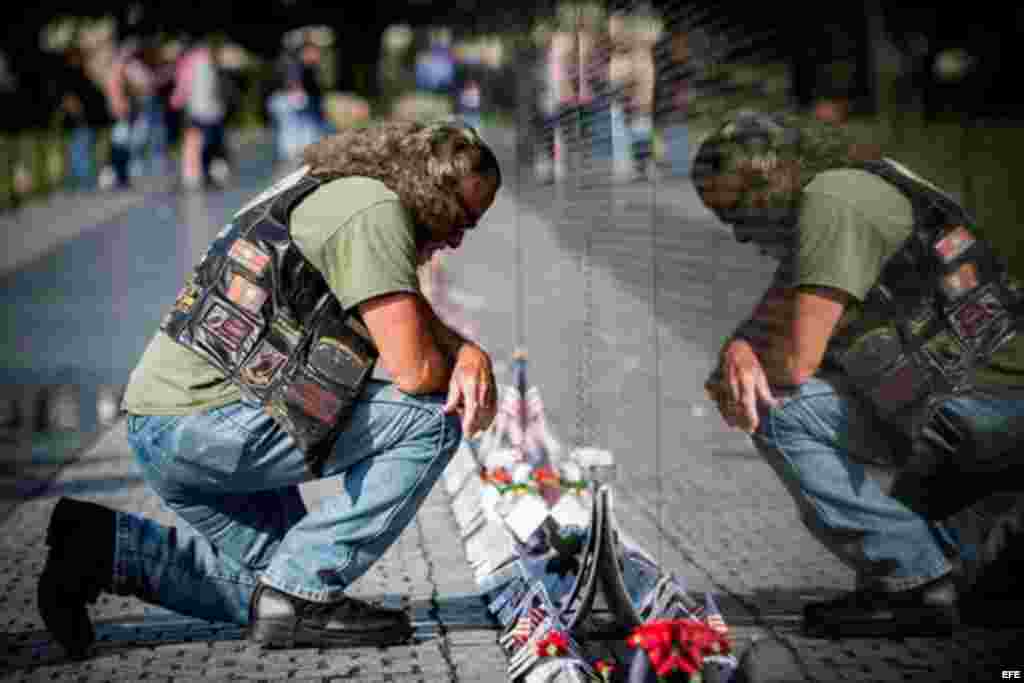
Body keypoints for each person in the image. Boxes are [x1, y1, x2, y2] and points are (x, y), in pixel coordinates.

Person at [37, 120, 501, 658]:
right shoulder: (373, 212)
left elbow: (398, 304)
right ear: (431, 193)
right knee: (432, 416)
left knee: (268, 593)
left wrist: (466, 349)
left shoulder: (332, 185)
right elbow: (414, 370)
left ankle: (97, 548)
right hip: (210, 421)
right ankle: (300, 596)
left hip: (163, 423)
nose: (459, 238)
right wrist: (469, 371)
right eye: (462, 219)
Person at [696, 110, 1024, 638]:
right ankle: (946, 569)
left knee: (780, 413)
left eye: (735, 212)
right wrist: (738, 348)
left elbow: (796, 362)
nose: (736, 234)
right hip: (987, 399)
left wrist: (745, 375)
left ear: (765, 183)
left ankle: (917, 582)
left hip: (978, 408)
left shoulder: (832, 204)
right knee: (974, 582)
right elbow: (775, 310)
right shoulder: (863, 183)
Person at [57, 46, 108, 191]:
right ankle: (80, 183)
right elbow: (72, 100)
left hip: (84, 121)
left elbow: (72, 101)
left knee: (79, 152)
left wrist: (75, 114)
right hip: (84, 121)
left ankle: (83, 184)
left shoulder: (76, 75)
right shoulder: (80, 75)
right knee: (79, 152)